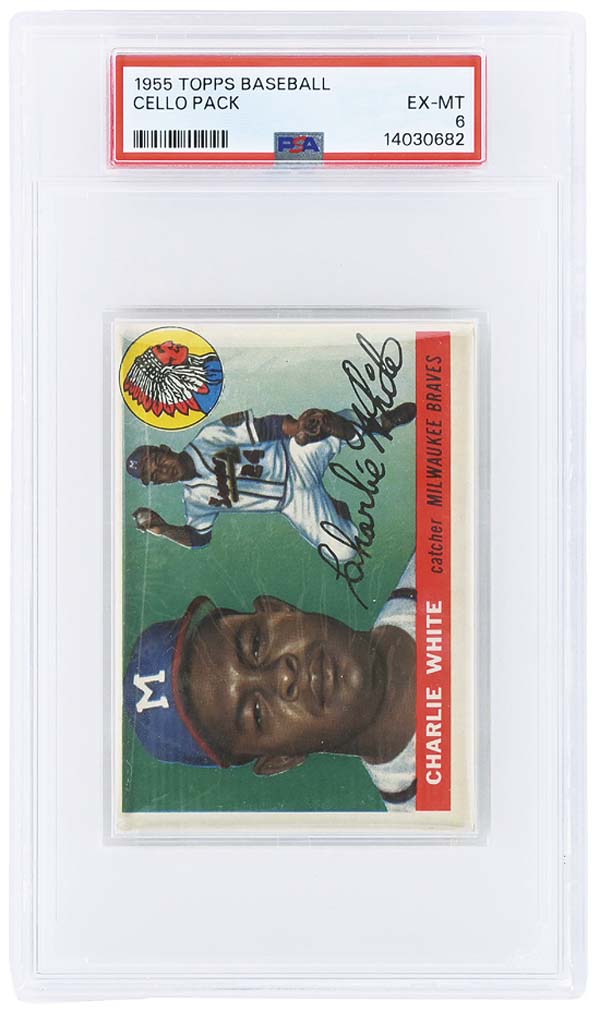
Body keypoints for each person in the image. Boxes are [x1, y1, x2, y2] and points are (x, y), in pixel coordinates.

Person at [124, 553, 417, 811]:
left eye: (255, 645)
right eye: (257, 714)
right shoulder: (425, 831)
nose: (283, 676)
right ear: (280, 759)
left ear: (277, 609)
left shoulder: (440, 550)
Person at [126, 403, 415, 562]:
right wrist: (162, 529)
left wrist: (297, 427)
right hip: (293, 502)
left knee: (320, 425)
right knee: (345, 552)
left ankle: (377, 424)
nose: (163, 470)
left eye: (158, 460)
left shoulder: (209, 437)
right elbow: (198, 538)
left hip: (295, 456)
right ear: (158, 484)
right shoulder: (195, 501)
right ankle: (336, 507)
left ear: (165, 448)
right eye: (155, 475)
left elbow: (264, 427)